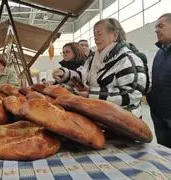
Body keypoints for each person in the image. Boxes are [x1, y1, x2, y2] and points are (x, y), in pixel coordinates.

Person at [52, 18, 148, 118]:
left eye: (99, 34)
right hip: (99, 116)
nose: (95, 38)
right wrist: (65, 73)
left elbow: (132, 93)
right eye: (94, 35)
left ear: (114, 35)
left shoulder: (128, 60)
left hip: (123, 121)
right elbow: (82, 75)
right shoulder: (93, 58)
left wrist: (92, 93)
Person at [147, 13, 171, 148]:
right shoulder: (160, 52)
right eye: (156, 27)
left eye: (161, 26)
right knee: (165, 152)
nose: (156, 30)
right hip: (159, 114)